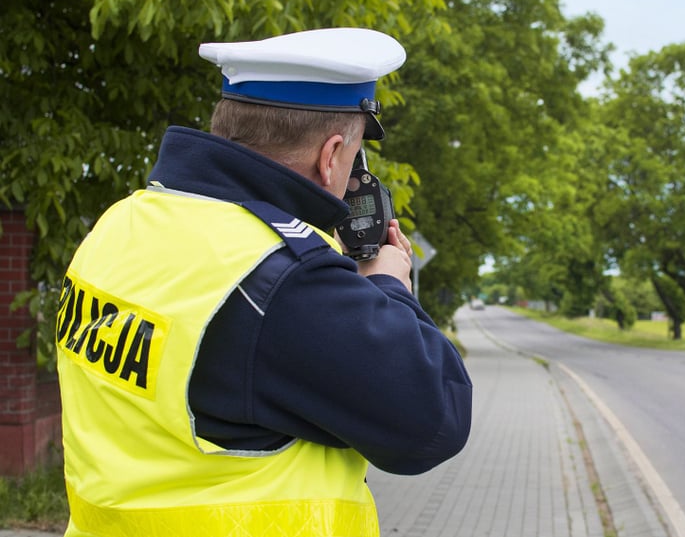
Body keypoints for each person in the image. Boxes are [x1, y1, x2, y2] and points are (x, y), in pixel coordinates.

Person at [55, 28, 473, 537]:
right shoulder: (283, 279)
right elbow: (434, 420)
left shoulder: (122, 223)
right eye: (356, 153)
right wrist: (387, 287)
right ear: (331, 154)